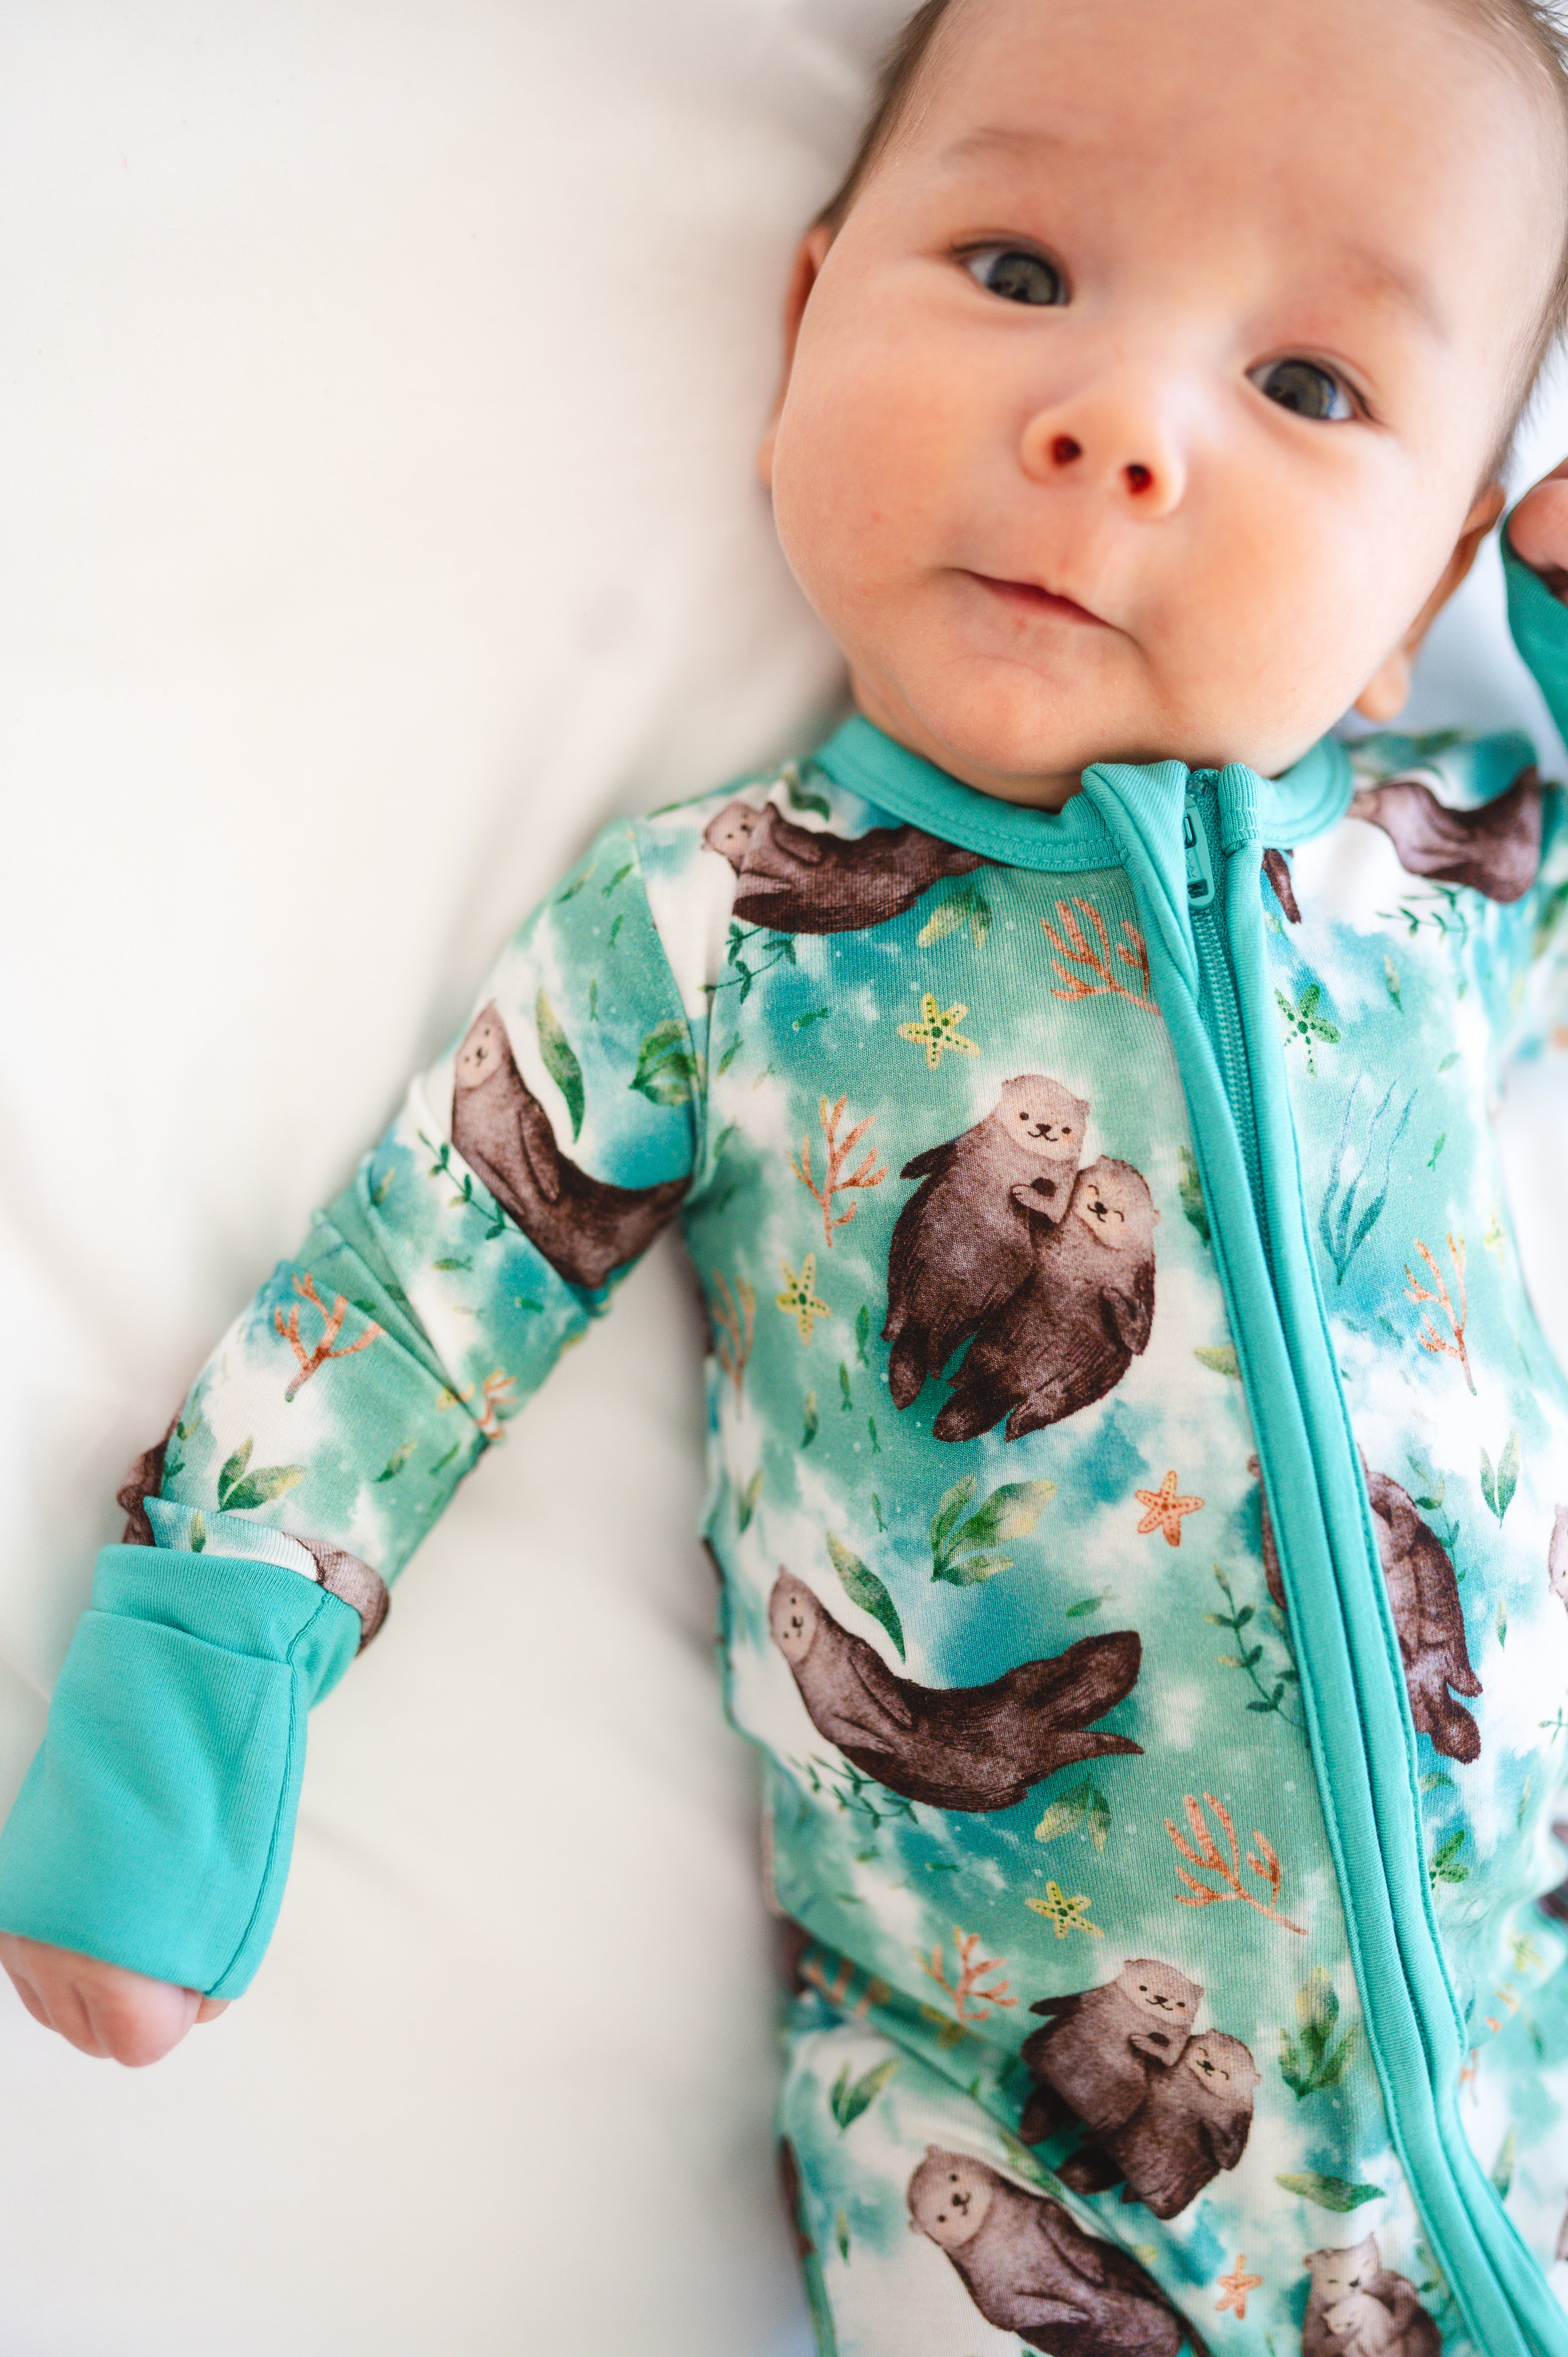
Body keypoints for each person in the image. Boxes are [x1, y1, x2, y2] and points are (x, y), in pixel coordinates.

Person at [7, 0, 1568, 2346]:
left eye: (1310, 390)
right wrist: (186, 1709)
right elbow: (417, 1298)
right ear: (801, 315)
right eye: (1022, 272)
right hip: (999, 2168)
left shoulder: (1443, 873)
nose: (1115, 427)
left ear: (1427, 560)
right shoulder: (720, 922)